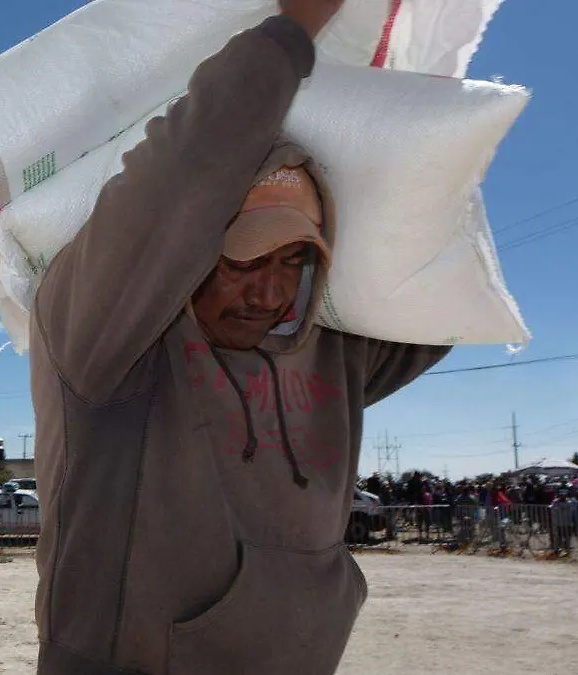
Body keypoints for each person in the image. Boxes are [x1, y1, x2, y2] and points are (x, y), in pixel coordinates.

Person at [28, 2, 452, 672]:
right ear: (191, 245)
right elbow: (181, 172)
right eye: (245, 259)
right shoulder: (108, 341)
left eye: (293, 261)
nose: (269, 291)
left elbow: (437, 301)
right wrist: (289, 35)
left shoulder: (332, 354)